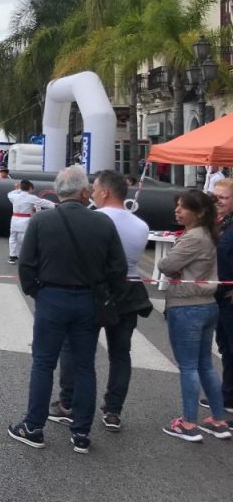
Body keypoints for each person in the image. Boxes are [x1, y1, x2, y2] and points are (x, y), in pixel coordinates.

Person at [9, 165, 126, 454]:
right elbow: (118, 268)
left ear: (58, 192)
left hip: (51, 297)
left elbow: (26, 265)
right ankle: (81, 432)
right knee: (85, 366)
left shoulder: (41, 221)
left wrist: (36, 291)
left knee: (43, 363)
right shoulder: (103, 223)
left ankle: (33, 427)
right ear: (84, 192)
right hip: (88, 300)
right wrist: (104, 292)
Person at [47, 170, 152, 431]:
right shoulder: (141, 225)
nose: (91, 192)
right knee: (121, 354)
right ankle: (113, 410)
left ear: (105, 192)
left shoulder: (94, 219)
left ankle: (68, 403)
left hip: (96, 290)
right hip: (129, 290)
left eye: (94, 188)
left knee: (76, 349)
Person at [157, 189, 232, 441]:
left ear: (197, 212)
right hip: (208, 304)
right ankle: (218, 419)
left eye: (182, 207)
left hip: (187, 305)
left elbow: (165, 265)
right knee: (204, 365)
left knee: (188, 366)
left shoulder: (193, 237)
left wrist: (175, 271)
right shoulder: (210, 232)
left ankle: (189, 423)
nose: (177, 210)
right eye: (176, 206)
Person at [212, 178, 233, 416]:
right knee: (226, 346)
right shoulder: (221, 222)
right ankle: (227, 395)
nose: (219, 202)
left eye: (224, 198)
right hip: (220, 294)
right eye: (215, 197)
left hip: (230, 295)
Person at [6, 180, 54, 265]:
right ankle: (24, 256)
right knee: (23, 239)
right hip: (25, 220)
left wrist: (18, 189)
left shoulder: (14, 196)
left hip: (14, 219)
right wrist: (55, 205)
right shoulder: (31, 197)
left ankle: (12, 256)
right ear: (30, 188)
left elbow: (9, 194)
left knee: (13, 238)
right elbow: (44, 202)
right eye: (32, 188)